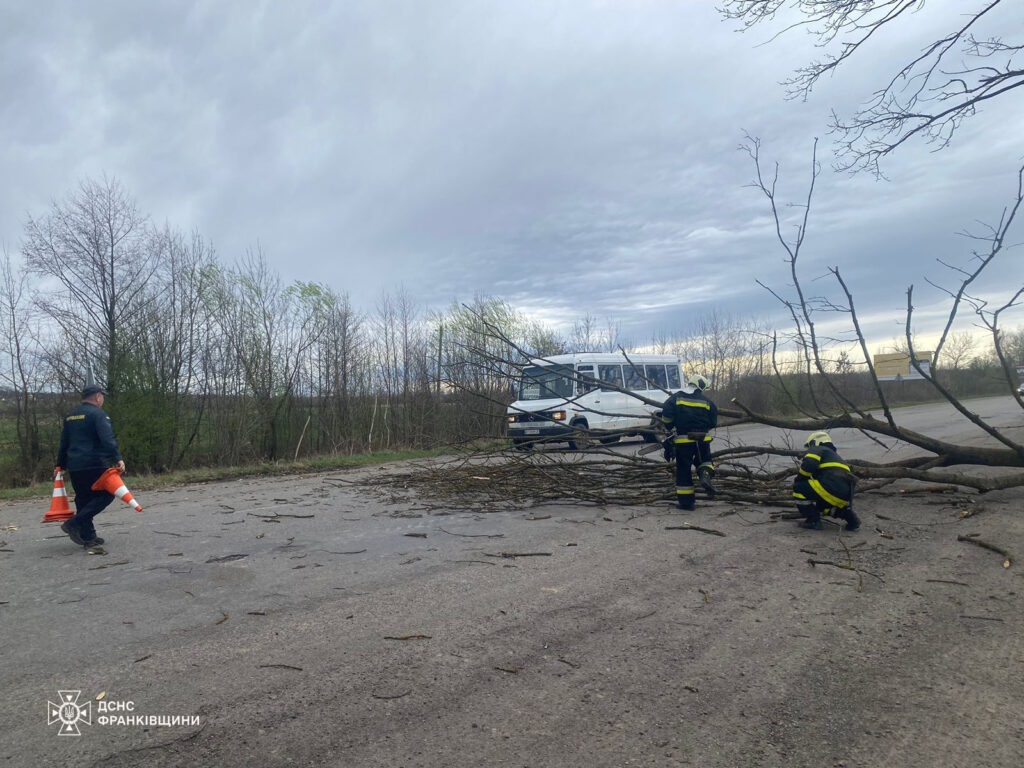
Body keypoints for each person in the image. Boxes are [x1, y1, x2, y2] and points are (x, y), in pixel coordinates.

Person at [56, 384, 126, 547]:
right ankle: (73, 523)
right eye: (102, 396)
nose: (103, 399)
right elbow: (107, 439)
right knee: (108, 494)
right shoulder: (99, 414)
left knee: (83, 499)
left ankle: (89, 537)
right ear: (97, 397)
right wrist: (117, 458)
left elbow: (64, 442)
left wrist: (60, 465)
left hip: (75, 465)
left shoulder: (70, 416)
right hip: (95, 463)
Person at [659, 374, 718, 510]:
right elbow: (713, 422)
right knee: (705, 461)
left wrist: (670, 426)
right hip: (702, 439)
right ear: (700, 386)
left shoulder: (675, 398)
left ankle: (687, 503)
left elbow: (666, 417)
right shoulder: (707, 402)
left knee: (684, 470)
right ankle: (705, 475)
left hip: (683, 441)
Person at [793, 430, 860, 531]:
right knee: (823, 505)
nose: (809, 448)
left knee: (798, 487)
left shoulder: (818, 449)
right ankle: (851, 519)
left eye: (810, 445)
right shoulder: (835, 456)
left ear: (815, 442)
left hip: (831, 487)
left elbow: (809, 464)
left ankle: (813, 521)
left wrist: (800, 479)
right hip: (845, 494)